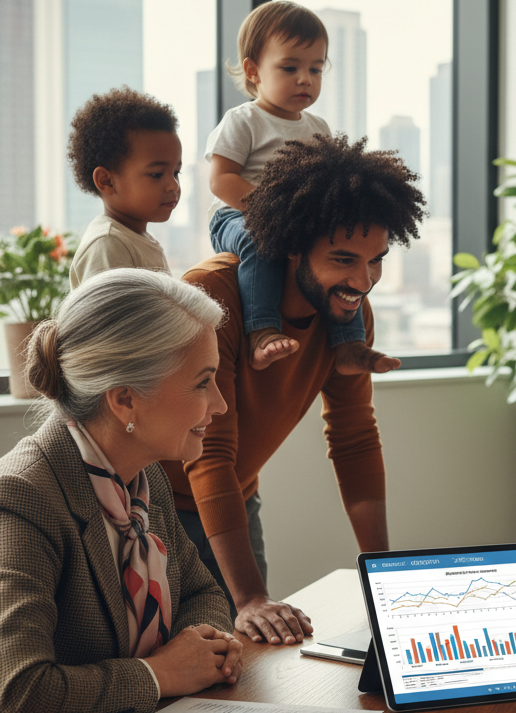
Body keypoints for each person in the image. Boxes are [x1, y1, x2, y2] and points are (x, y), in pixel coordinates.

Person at [165, 132, 424, 649]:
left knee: (247, 659)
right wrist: (250, 597)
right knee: (180, 667)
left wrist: (384, 576)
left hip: (234, 500)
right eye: (345, 259)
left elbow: (354, 440)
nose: (364, 280)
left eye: (376, 260)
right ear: (290, 248)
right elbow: (209, 449)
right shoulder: (212, 296)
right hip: (154, 507)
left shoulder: (349, 314)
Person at [0, 269, 242, 713]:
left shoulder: (143, 475)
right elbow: (18, 697)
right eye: (202, 383)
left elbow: (204, 595)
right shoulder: (22, 496)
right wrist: (159, 675)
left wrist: (201, 652)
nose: (219, 405)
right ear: (126, 401)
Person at [207, 0, 399, 376]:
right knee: (259, 242)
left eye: (315, 68)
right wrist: (271, 213)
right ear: (253, 71)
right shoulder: (244, 120)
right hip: (237, 216)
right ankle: (261, 330)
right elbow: (221, 180)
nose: (305, 79)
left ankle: (349, 347)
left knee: (339, 264)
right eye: (290, 67)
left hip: (295, 220)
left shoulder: (318, 127)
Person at [67, 87, 181, 288]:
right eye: (156, 174)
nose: (173, 185)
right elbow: (114, 319)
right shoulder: (108, 244)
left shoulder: (138, 239)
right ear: (107, 181)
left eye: (176, 172)